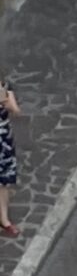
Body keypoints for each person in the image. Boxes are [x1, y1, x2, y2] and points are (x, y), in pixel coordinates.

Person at [0, 74, 21, 237]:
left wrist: (4, 98)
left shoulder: (5, 86)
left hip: (3, 140)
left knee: (4, 182)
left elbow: (15, 110)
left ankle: (4, 219)